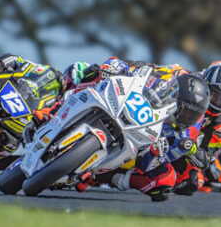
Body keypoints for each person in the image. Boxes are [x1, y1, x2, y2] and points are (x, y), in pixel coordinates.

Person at [89, 72, 212, 201]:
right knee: (91, 74)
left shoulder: (183, 137)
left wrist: (154, 152)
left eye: (192, 115)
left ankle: (105, 177)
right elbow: (142, 70)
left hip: (136, 149)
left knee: (167, 180)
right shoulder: (172, 75)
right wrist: (120, 67)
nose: (187, 118)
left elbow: (147, 165)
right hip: (132, 107)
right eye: (186, 111)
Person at [172, 60, 221, 195]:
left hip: (184, 145)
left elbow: (206, 158)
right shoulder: (188, 80)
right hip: (166, 127)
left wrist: (191, 148)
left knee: (195, 181)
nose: (217, 102)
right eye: (214, 94)